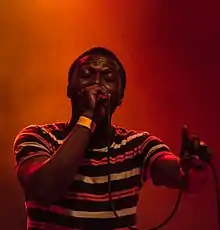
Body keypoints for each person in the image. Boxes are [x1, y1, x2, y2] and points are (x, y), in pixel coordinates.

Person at [13, 47, 209, 230]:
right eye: (87, 75)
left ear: (120, 96)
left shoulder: (137, 145)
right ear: (69, 89)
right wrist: (88, 118)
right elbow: (45, 189)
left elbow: (183, 177)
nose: (97, 84)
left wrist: (191, 167)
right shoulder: (38, 137)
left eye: (108, 78)